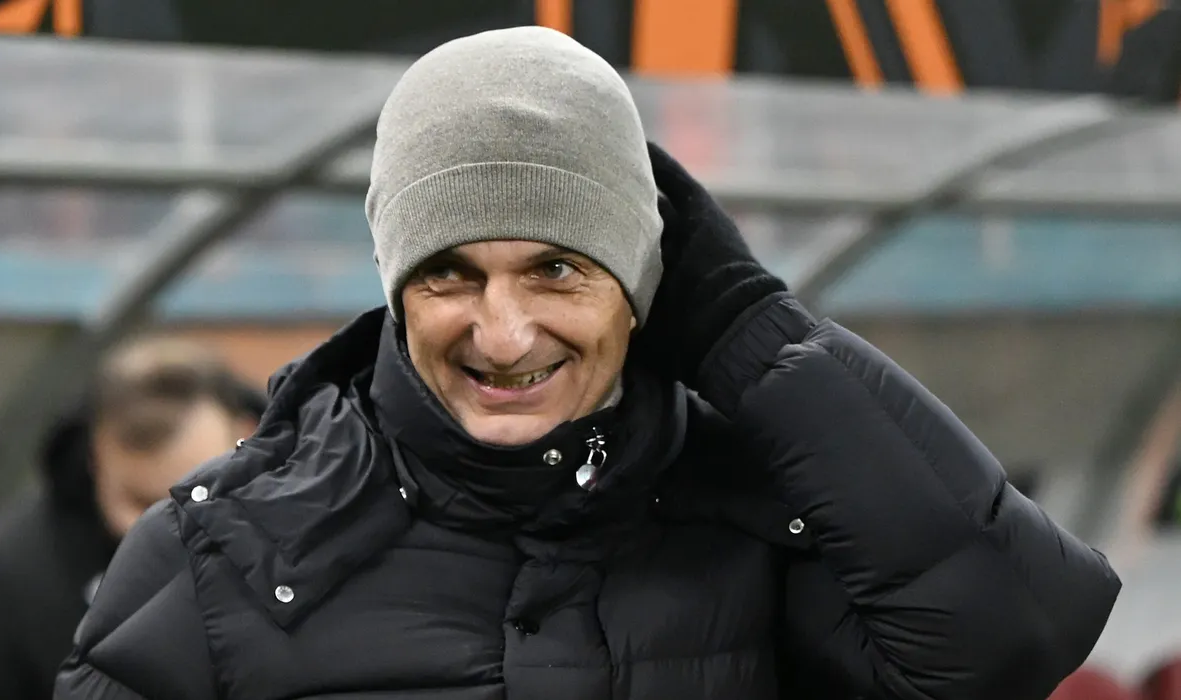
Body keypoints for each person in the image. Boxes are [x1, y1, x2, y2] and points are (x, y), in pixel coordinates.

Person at [55, 27, 1120, 700]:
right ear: (393, 284)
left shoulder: (763, 516)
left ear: (647, 283)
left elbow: (1011, 636)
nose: (503, 334)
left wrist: (749, 333)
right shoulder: (217, 554)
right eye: (448, 274)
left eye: (557, 269)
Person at [0, 336, 265, 700]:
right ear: (95, 456)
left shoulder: (305, 545)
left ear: (245, 438)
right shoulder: (8, 576)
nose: (177, 526)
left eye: (200, 492)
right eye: (142, 503)